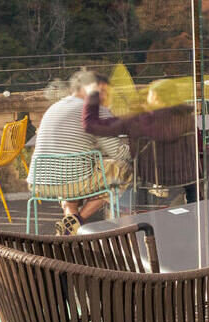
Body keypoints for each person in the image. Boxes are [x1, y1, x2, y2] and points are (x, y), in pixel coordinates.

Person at [32, 70, 134, 234]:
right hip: (72, 182)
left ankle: (70, 232)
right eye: (105, 92)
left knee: (69, 178)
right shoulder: (95, 109)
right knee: (124, 170)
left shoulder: (55, 106)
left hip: (40, 182)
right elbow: (117, 153)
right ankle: (78, 221)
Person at [82, 84, 198, 203]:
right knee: (190, 171)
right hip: (186, 174)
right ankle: (195, 205)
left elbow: (92, 126)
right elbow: (197, 145)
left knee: (122, 165)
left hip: (152, 174)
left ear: (155, 98)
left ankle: (125, 211)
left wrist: (93, 95)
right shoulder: (188, 119)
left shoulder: (137, 121)